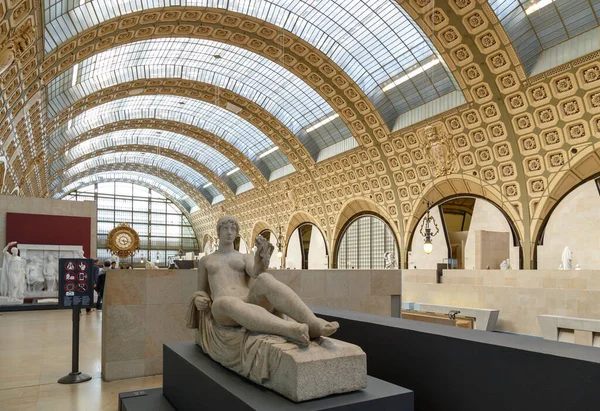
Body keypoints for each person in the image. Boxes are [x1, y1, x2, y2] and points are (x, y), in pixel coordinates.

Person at [193, 216, 338, 345]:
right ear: (218, 232)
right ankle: (289, 329)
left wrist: (260, 258)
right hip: (223, 308)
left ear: (237, 233)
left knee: (265, 278)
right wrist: (199, 299)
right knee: (227, 301)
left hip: (248, 301)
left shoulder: (244, 257)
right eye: (225, 228)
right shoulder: (206, 260)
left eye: (233, 228)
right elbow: (201, 290)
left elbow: (257, 272)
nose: (229, 232)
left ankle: (312, 322)